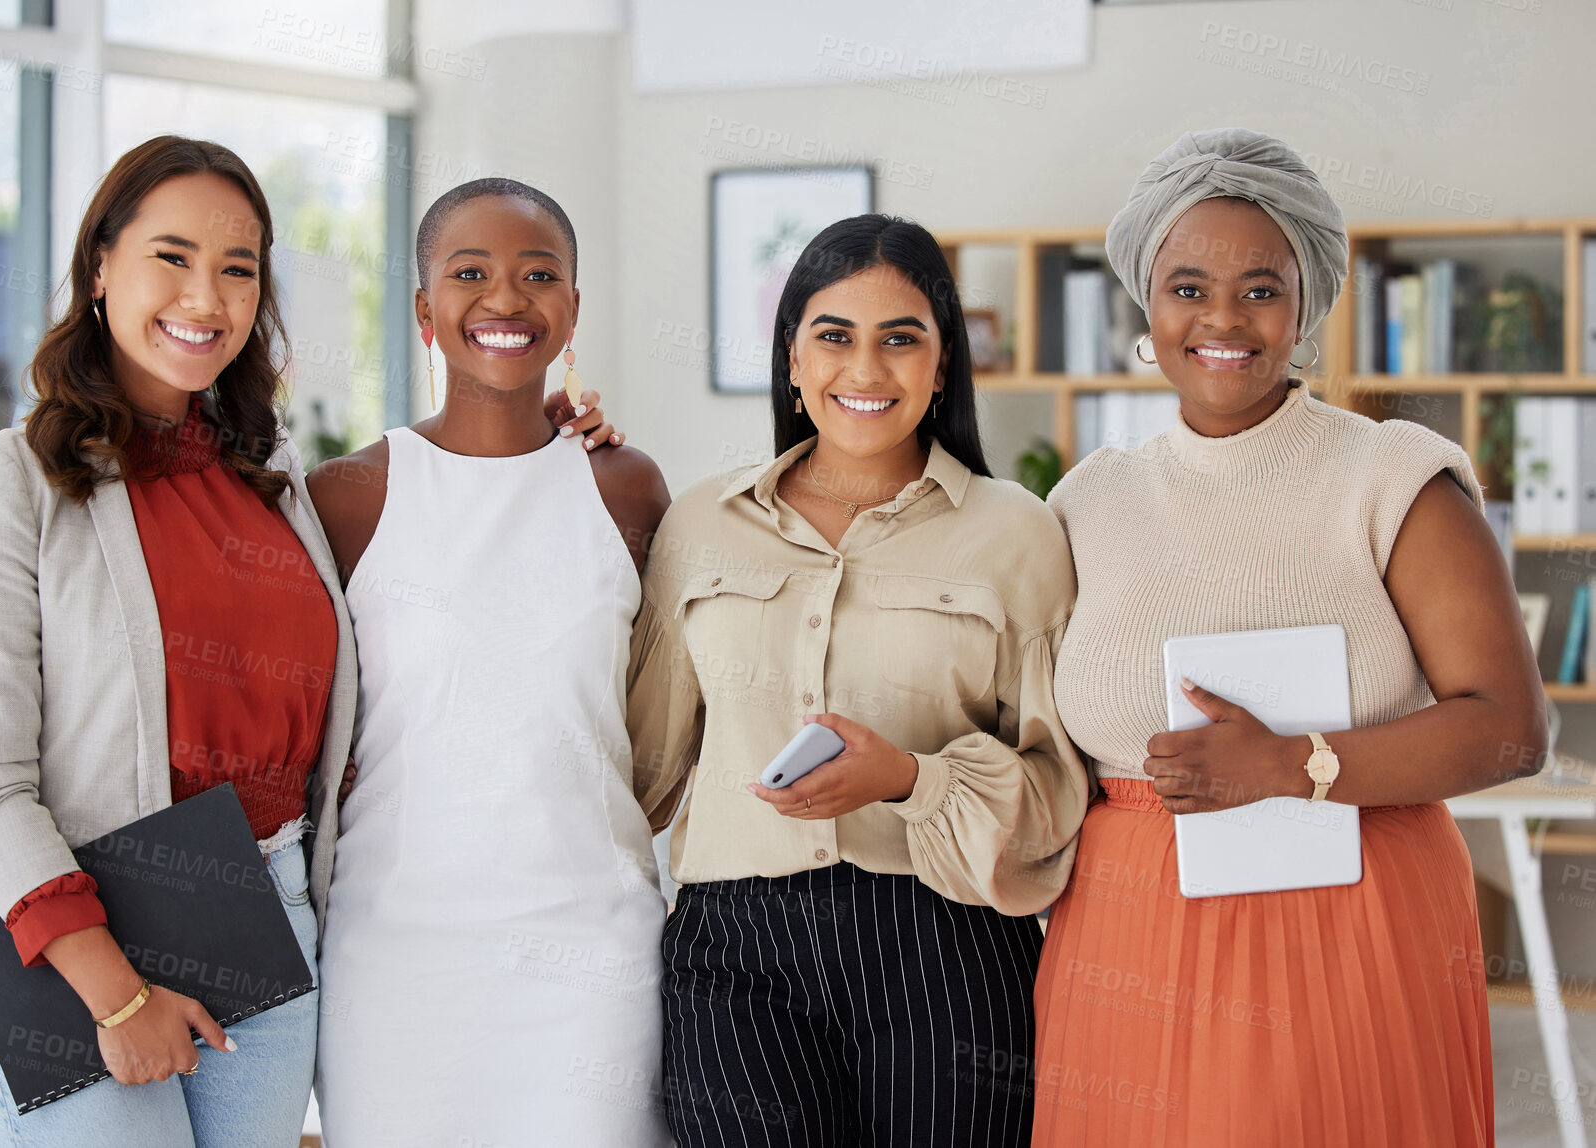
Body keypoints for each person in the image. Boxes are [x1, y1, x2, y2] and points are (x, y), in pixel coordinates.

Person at [0, 138, 616, 1148]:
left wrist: (533, 431)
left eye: (238, 267)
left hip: (267, 918)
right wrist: (114, 994)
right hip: (83, 941)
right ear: (100, 265)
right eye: (172, 256)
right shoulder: (11, 483)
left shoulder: (274, 479)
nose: (206, 295)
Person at [1031, 128, 1546, 1147]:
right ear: (1146, 301)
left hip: (1348, 920)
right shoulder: (1088, 497)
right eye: (1188, 286)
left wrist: (1285, 763)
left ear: (1306, 301)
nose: (1222, 318)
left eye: (1260, 289)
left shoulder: (1393, 477)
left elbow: (1508, 727)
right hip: (1126, 934)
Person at [627, 214, 1091, 1147]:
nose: (865, 370)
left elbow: (1056, 795)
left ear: (942, 363)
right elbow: (639, 766)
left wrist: (910, 780)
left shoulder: (1019, 534)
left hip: (945, 945)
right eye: (833, 336)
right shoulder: (700, 526)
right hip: (732, 950)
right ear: (791, 361)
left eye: (900, 339)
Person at [308, 178, 673, 1147]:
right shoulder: (345, 496)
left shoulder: (625, 485)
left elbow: (654, 711)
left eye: (537, 275)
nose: (505, 300)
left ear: (572, 310)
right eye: (469, 273)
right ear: (424, 309)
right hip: (394, 954)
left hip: (591, 950)